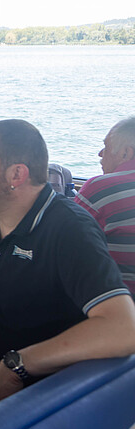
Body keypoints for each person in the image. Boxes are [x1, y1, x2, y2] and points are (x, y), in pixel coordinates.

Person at [0, 119, 135, 407]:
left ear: (16, 174)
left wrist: (18, 364)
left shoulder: (70, 229)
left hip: (49, 394)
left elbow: (123, 328)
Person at [75, 116, 135, 295]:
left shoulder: (101, 188)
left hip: (120, 302)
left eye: (106, 147)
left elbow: (62, 239)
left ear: (126, 153)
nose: (100, 154)